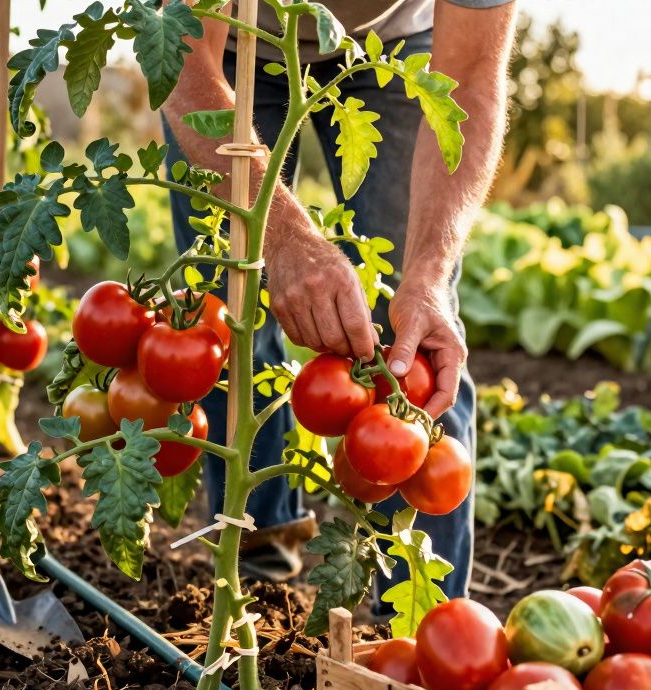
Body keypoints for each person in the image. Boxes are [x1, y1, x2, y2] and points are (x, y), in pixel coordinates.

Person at [161, 0, 518, 608]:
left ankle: (418, 624)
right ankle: (255, 568)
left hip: (401, 50)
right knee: (225, 310)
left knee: (415, 344)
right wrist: (282, 235)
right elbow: (181, 63)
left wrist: (428, 275)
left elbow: (470, 85)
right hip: (227, 49)